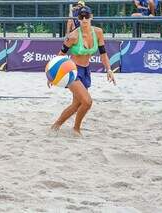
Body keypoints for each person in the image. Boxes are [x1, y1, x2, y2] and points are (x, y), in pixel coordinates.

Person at [49, 6, 115, 136]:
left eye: (86, 16)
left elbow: (103, 54)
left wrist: (109, 69)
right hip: (72, 71)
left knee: (77, 103)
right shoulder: (73, 36)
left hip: (86, 70)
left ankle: (56, 125)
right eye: (81, 17)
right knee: (87, 101)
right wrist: (51, 75)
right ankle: (76, 129)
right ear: (78, 19)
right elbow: (60, 56)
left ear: (91, 17)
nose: (84, 19)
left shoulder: (98, 32)